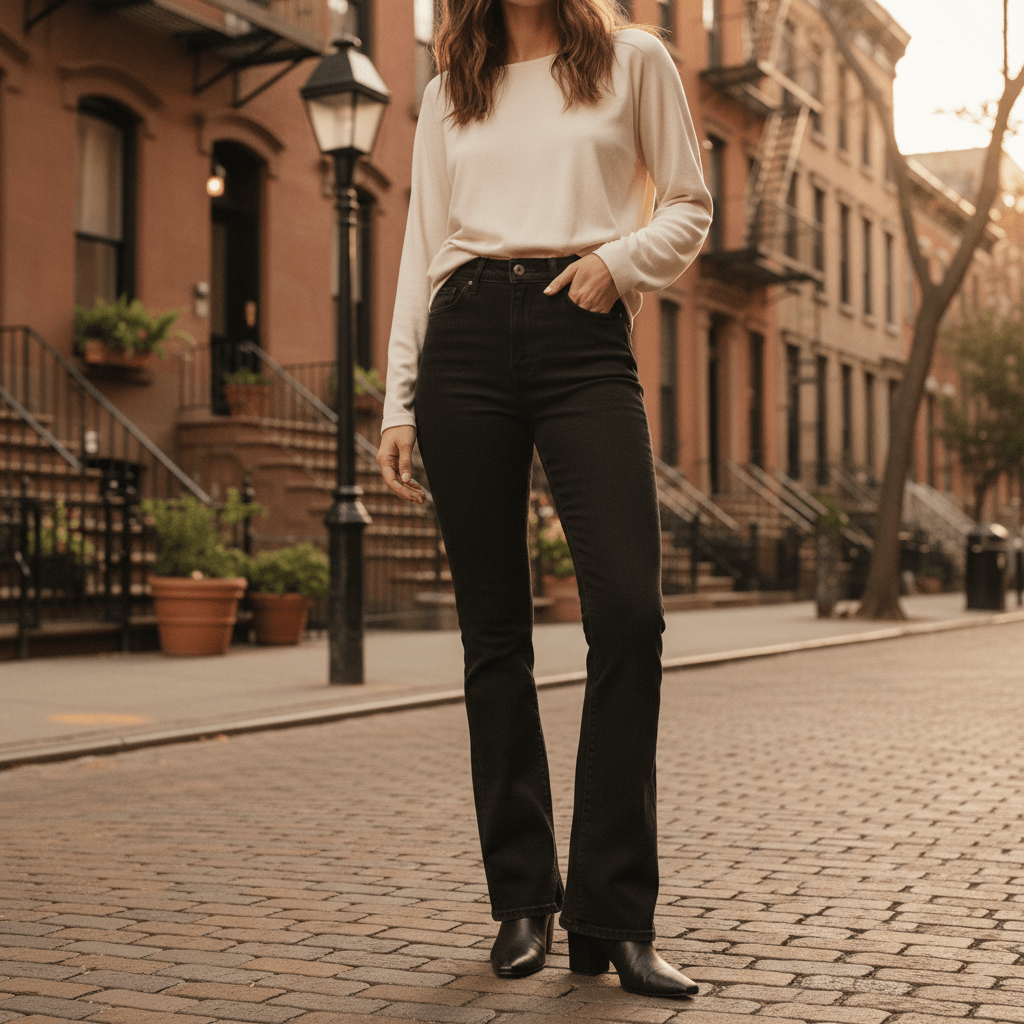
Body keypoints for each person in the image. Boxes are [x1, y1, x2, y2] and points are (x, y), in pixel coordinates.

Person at [376, 0, 712, 999]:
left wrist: (618, 261)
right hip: (466, 335)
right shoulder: (449, 90)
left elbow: (689, 205)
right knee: (494, 633)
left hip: (582, 332)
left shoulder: (633, 60)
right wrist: (398, 400)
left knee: (627, 614)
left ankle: (613, 916)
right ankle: (522, 898)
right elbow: (417, 252)